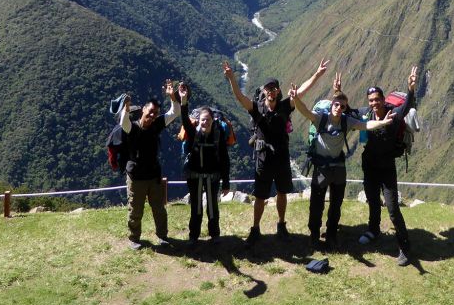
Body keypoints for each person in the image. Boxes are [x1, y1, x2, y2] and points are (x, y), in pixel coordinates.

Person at [224, 58, 329, 248]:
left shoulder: (285, 106)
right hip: (264, 158)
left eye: (274, 89)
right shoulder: (257, 108)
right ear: (264, 91)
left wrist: (317, 73)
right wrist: (231, 78)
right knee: (260, 196)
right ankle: (255, 229)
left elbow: (303, 90)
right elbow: (240, 97)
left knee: (282, 193)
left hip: (281, 157)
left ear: (278, 91)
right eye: (268, 89)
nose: (271, 92)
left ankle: (281, 224)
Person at [291, 81, 393, 248]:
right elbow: (305, 111)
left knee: (336, 204)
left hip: (338, 168)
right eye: (337, 104)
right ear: (332, 104)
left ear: (345, 108)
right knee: (316, 204)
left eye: (343, 106)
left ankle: (331, 234)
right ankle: (314, 234)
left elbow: (366, 125)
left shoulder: (347, 121)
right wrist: (295, 99)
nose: (339, 108)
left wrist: (382, 122)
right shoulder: (321, 119)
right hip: (322, 168)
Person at [358, 65, 418, 266]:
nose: (374, 103)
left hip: (386, 169)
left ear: (383, 100)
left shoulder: (394, 115)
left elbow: (408, 105)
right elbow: (346, 111)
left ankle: (405, 246)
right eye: (371, 100)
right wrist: (337, 92)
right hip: (370, 166)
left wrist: (410, 88)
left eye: (377, 99)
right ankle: (373, 230)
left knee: (393, 208)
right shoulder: (366, 114)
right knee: (373, 200)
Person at [120, 80, 180, 250]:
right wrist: (125, 109)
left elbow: (174, 112)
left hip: (153, 176)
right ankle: (134, 238)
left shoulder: (156, 124)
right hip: (136, 177)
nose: (153, 116)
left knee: (159, 209)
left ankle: (162, 236)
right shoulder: (132, 128)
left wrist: (172, 96)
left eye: (156, 113)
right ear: (143, 110)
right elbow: (123, 123)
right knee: (135, 210)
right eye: (151, 112)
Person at [178, 82, 230, 249]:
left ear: (212, 120)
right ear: (199, 121)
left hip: (212, 176)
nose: (205, 122)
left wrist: (226, 182)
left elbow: (224, 158)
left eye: (207, 119)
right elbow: (185, 120)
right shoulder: (193, 133)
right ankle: (194, 236)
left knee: (212, 208)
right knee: (196, 208)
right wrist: (183, 101)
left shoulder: (219, 134)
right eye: (202, 120)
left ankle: (214, 235)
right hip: (195, 176)